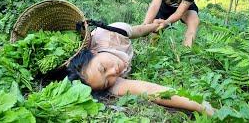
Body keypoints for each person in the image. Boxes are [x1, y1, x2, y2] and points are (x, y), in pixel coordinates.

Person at [67, 22, 215, 116]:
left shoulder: (110, 33)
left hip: (120, 37)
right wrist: (199, 105)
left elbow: (139, 30)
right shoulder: (108, 83)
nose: (113, 73)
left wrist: (155, 25)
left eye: (103, 68)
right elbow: (150, 90)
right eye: (107, 82)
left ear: (94, 52)